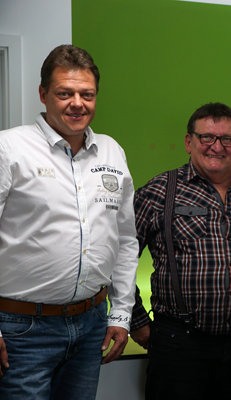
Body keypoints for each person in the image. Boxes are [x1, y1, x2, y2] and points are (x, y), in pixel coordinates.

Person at [0, 45, 138, 399]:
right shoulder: (9, 149)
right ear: (44, 94)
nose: (77, 103)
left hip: (92, 322)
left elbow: (124, 240)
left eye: (86, 94)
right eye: (65, 93)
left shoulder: (111, 151)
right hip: (21, 328)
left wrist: (121, 314)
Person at [129, 102, 231, 400]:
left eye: (226, 139)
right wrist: (137, 321)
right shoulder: (158, 192)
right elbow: (118, 262)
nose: (217, 146)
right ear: (189, 142)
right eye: (207, 137)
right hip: (179, 344)